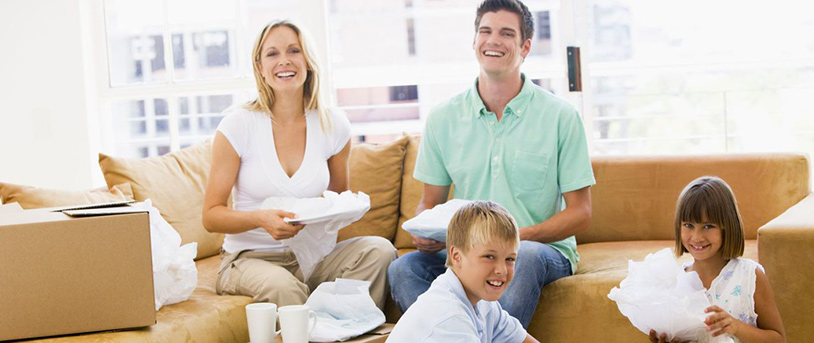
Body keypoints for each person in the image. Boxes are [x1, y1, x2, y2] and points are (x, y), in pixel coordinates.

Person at [388, 0, 595, 327]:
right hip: (468, 252)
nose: (493, 40)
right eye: (485, 31)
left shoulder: (560, 117)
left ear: (525, 46)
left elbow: (581, 213)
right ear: (474, 41)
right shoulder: (443, 118)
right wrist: (426, 232)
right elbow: (429, 202)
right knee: (404, 268)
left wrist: (511, 240)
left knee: (521, 257)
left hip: (537, 251)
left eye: (506, 33)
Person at [202, 19, 396, 308]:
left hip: (311, 258)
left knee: (380, 251)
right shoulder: (238, 125)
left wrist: (328, 213)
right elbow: (211, 216)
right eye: (272, 54)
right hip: (248, 259)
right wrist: (261, 218)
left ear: (308, 60)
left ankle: (336, 327)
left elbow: (337, 201)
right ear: (260, 67)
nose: (284, 61)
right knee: (286, 287)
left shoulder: (334, 125)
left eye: (294, 50)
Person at [649, 176, 786, 343]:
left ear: (727, 227)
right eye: (688, 225)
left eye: (708, 226)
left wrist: (737, 327)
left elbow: (779, 339)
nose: (697, 237)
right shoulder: (676, 282)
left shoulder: (750, 276)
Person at [387, 201, 540, 343]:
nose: (501, 270)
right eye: (489, 257)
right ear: (456, 256)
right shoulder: (450, 319)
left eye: (510, 259)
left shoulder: (483, 303)